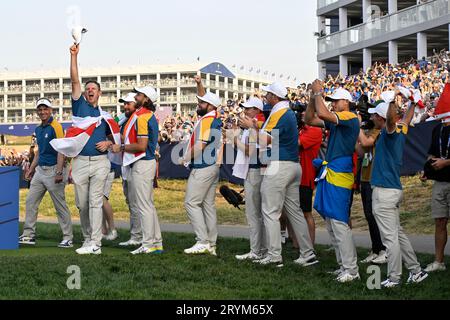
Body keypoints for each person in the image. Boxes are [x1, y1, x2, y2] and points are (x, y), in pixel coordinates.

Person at [241, 82, 317, 267]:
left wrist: (250, 127)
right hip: (292, 165)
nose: (265, 97)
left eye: (268, 94)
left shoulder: (278, 112)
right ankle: (307, 253)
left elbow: (266, 139)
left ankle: (274, 255)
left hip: (279, 166)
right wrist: (255, 125)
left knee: (270, 211)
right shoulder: (286, 112)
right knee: (294, 211)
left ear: (274, 97)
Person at [370, 92, 429, 288]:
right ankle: (416, 271)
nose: (370, 118)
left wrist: (391, 101)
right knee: (398, 234)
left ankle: (394, 278)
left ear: (381, 117)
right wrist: (412, 102)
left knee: (390, 238)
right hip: (393, 189)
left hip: (385, 191)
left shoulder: (389, 130)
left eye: (373, 115)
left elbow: (392, 120)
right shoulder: (401, 129)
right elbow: (407, 118)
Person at [305, 83, 360, 283]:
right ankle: (343, 266)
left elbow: (322, 113)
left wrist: (318, 92)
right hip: (332, 173)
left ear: (347, 101)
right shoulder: (339, 119)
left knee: (338, 223)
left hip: (339, 174)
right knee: (331, 223)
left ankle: (351, 270)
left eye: (336, 100)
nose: (334, 104)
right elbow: (309, 118)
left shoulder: (350, 116)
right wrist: (313, 97)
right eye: (333, 101)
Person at [67, 44, 118, 255]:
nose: (89, 91)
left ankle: (96, 243)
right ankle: (88, 239)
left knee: (96, 202)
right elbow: (74, 80)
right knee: (82, 204)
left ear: (99, 93)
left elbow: (116, 143)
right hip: (79, 162)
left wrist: (108, 144)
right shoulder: (79, 106)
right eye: (87, 89)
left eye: (93, 89)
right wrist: (74, 56)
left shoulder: (106, 117)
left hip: (99, 162)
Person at [112, 87, 163, 255]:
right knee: (148, 205)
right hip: (143, 162)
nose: (136, 96)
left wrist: (121, 147)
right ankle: (155, 243)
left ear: (146, 99)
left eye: (139, 94)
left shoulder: (142, 116)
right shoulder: (142, 115)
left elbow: (141, 146)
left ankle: (148, 243)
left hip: (141, 162)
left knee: (144, 206)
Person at [19, 98, 73, 247]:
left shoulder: (56, 126)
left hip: (54, 169)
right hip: (40, 171)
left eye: (45, 109)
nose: (42, 112)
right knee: (30, 202)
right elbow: (39, 153)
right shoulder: (38, 129)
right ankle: (28, 235)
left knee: (59, 205)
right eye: (40, 109)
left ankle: (68, 237)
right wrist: (30, 169)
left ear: (51, 110)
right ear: (37, 111)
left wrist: (59, 171)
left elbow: (61, 149)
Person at [180, 76, 222, 256]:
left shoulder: (206, 120)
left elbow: (201, 144)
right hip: (211, 166)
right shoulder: (213, 117)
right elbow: (204, 97)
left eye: (202, 103)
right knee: (207, 205)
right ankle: (211, 243)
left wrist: (184, 158)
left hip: (203, 165)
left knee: (191, 203)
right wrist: (199, 84)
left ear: (210, 106)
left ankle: (202, 241)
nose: (199, 104)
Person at [227, 96, 268, 261]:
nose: (245, 110)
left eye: (249, 108)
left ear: (257, 111)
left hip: (255, 171)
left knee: (253, 214)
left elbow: (251, 153)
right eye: (245, 107)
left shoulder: (256, 126)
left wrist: (233, 139)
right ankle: (261, 249)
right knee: (258, 213)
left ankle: (257, 250)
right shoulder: (253, 127)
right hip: (255, 171)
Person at [422, 83, 450, 272]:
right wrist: (428, 169)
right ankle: (438, 262)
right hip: (440, 182)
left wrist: (446, 162)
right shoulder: (437, 129)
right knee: (440, 221)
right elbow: (431, 153)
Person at [356, 104, 387, 264]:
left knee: (376, 215)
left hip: (375, 178)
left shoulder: (379, 131)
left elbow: (367, 143)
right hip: (365, 177)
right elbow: (362, 152)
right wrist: (357, 133)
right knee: (369, 215)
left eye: (374, 115)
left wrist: (357, 125)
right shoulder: (370, 130)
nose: (372, 118)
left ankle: (383, 249)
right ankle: (376, 249)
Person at [116, 93, 143, 247]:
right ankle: (136, 235)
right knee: (130, 202)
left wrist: (121, 144)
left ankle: (137, 236)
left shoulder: (139, 118)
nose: (125, 106)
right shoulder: (127, 119)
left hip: (135, 163)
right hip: (127, 164)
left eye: (128, 103)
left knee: (135, 203)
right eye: (124, 104)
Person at [298, 113, 323, 245]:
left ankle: (310, 245)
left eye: (305, 115)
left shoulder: (314, 130)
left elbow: (297, 143)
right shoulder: (303, 129)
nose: (302, 117)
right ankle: (296, 243)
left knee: (306, 213)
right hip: (297, 176)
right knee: (294, 212)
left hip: (306, 177)